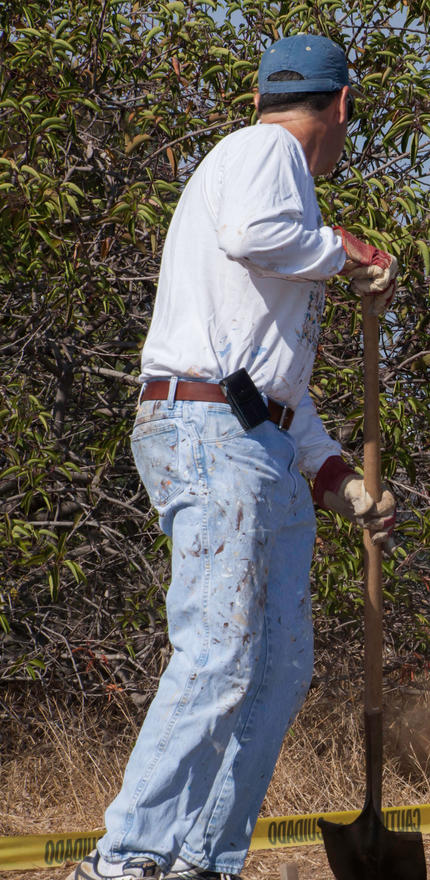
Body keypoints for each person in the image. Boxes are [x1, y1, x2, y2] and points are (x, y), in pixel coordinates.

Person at [67, 34, 400, 880]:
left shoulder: (272, 187)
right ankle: (125, 863)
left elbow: (274, 382)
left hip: (253, 437)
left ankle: (201, 862)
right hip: (211, 431)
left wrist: (335, 477)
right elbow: (259, 234)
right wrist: (346, 252)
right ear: (342, 107)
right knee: (218, 652)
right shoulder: (265, 155)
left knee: (280, 665)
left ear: (265, 93)